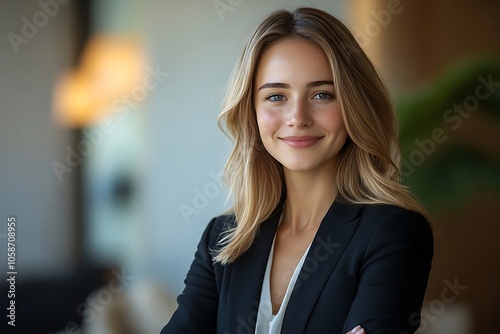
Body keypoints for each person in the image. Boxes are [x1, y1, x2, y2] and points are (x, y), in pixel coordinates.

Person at [161, 7, 433, 334]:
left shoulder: (393, 232)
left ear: (354, 106)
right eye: (276, 96)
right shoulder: (222, 238)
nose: (297, 117)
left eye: (322, 94)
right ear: (252, 112)